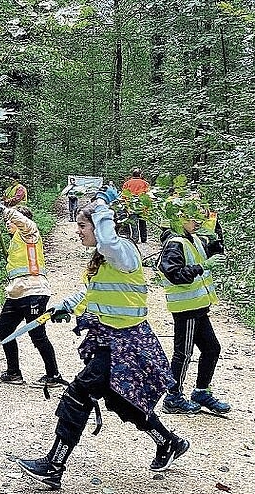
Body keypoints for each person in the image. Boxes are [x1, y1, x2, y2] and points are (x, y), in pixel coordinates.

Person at [14, 186, 186, 490]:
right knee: (123, 400)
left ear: (101, 225)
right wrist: (65, 306)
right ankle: (168, 442)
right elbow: (92, 293)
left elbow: (108, 239)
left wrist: (103, 204)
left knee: (78, 394)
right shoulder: (103, 260)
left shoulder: (124, 252)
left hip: (127, 344)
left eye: (82, 225)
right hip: (111, 340)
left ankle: (53, 466)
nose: (78, 231)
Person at [157, 196, 230, 415]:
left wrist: (216, 233)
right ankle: (173, 397)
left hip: (198, 307)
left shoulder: (194, 239)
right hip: (186, 309)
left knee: (211, 348)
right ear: (179, 219)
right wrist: (201, 267)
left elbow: (214, 254)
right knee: (184, 353)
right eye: (192, 217)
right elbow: (174, 274)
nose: (197, 220)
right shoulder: (174, 243)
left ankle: (201, 392)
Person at [0, 199, 63, 388]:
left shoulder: (30, 233)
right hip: (18, 292)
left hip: (34, 291)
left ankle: (53, 375)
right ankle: (13, 372)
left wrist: (2, 209)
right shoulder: (17, 241)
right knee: (3, 327)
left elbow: (25, 222)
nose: (7, 223)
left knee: (37, 333)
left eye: (10, 220)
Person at [121, 168, 150, 243]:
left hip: (131, 206)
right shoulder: (145, 183)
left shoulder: (127, 183)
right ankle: (144, 238)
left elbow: (124, 196)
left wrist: (125, 206)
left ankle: (135, 238)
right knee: (143, 223)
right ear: (140, 175)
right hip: (142, 206)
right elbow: (148, 196)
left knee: (133, 223)